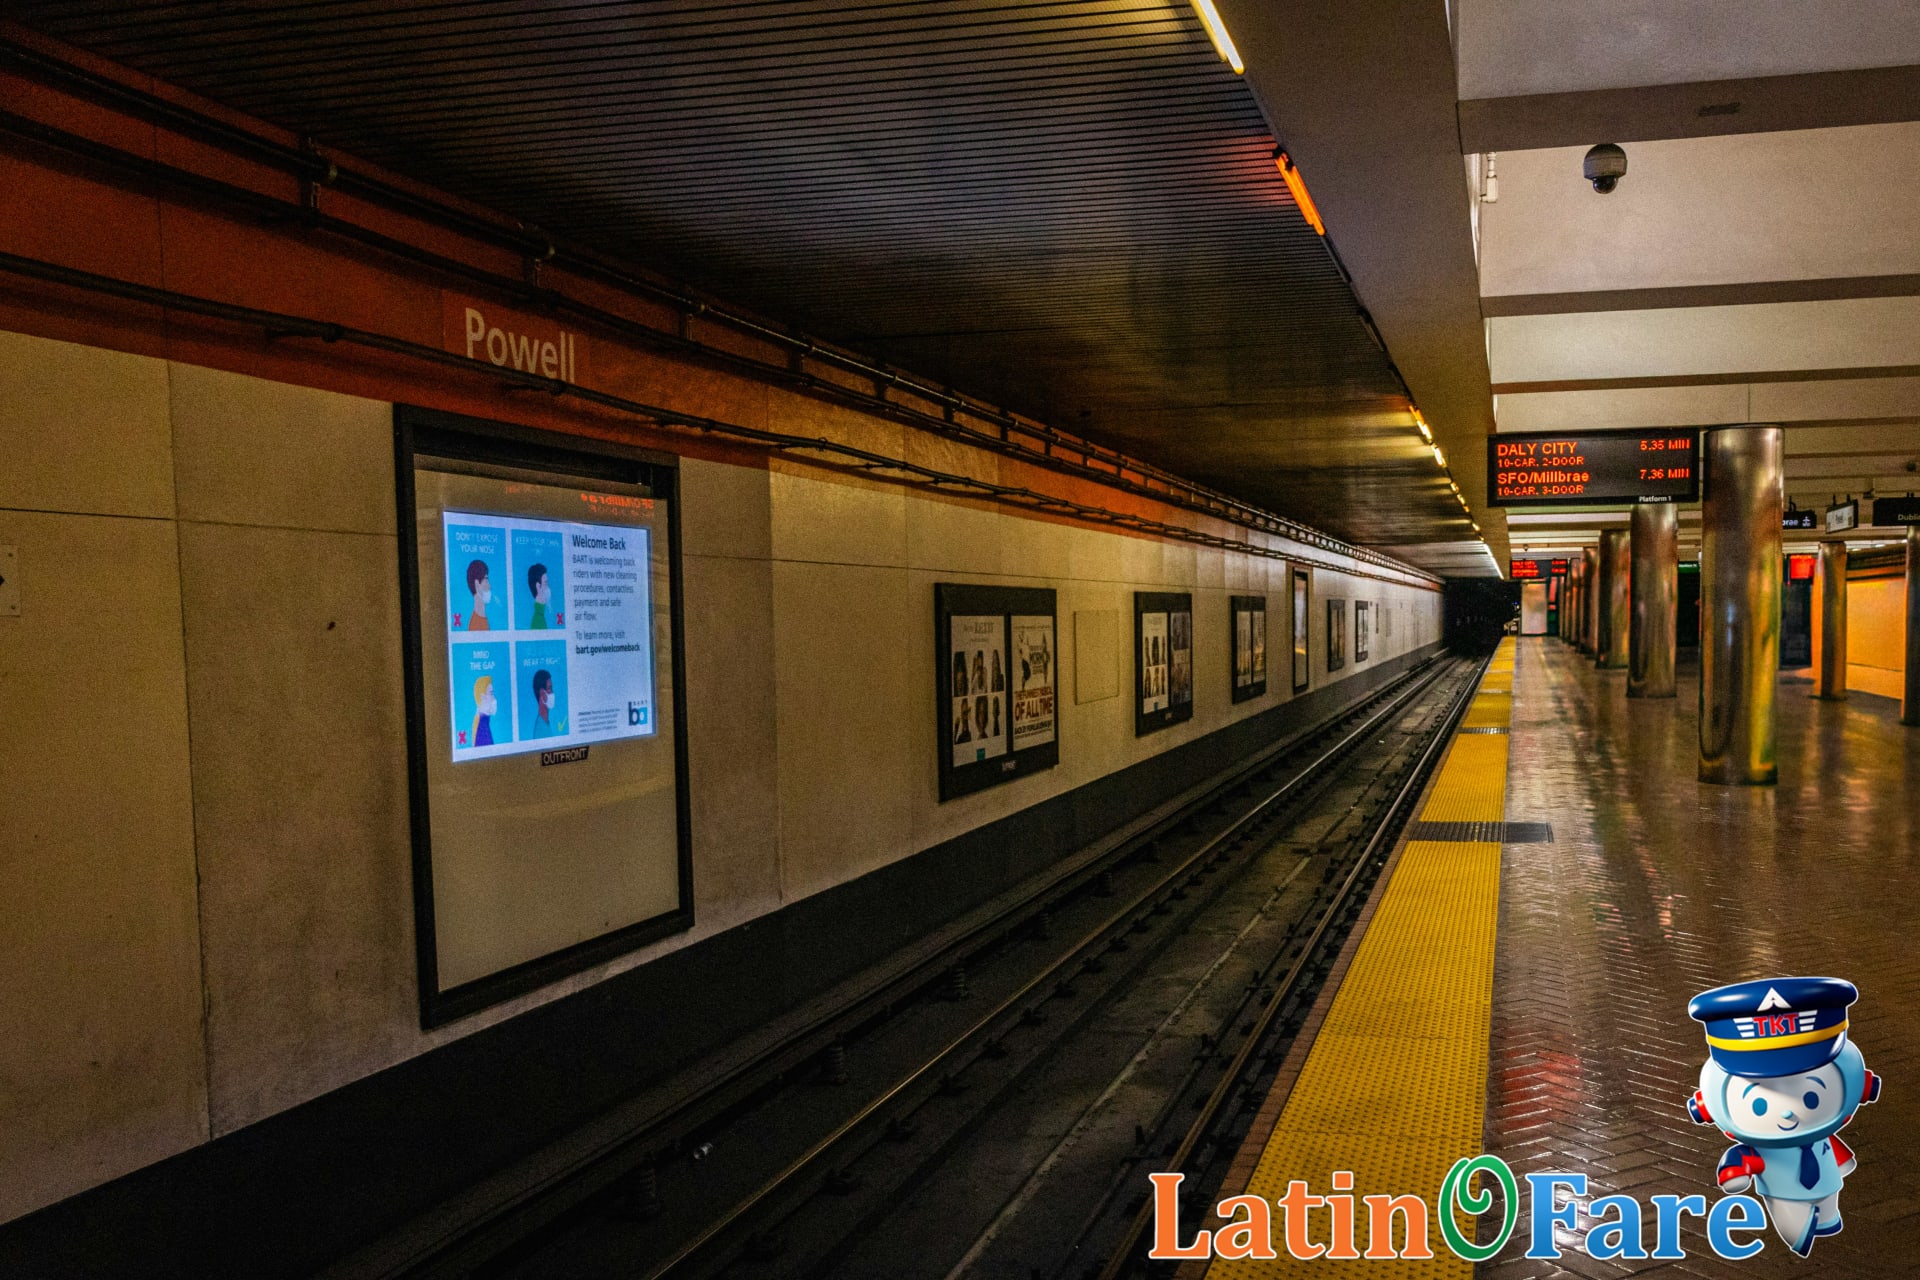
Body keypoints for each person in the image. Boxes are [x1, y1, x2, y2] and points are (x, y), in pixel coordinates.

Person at [465, 559, 492, 630]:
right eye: (486, 580)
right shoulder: (476, 624)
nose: (489, 586)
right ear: (477, 584)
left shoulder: (482, 619)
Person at [471, 675, 497, 746]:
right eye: (491, 693)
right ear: (482, 697)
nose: (494, 698)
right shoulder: (482, 726)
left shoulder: (482, 722)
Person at [530, 669, 555, 736]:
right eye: (549, 688)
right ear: (542, 693)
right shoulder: (540, 730)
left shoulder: (545, 724)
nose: (552, 693)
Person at [527, 563, 552, 630]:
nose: (548, 588)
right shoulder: (538, 620)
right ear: (538, 586)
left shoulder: (540, 615)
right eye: (546, 583)